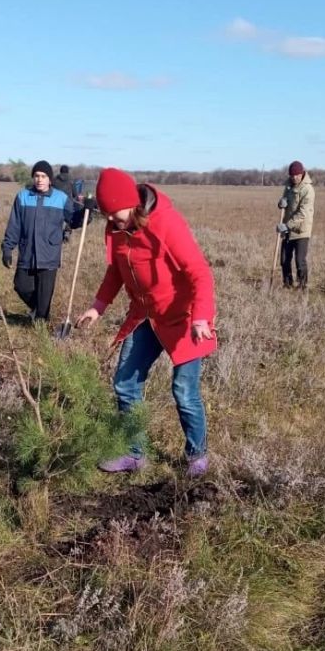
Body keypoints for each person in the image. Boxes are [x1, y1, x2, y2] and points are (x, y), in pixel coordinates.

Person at [76, 167, 216, 477]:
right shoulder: (116, 228)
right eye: (107, 216)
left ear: (132, 203)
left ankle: (197, 456)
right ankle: (134, 453)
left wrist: (201, 316)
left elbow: (199, 272)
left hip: (183, 317)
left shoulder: (166, 223)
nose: (112, 221)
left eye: (116, 213)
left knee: (183, 391)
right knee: (125, 383)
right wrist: (98, 307)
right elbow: (116, 270)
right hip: (144, 315)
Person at [2, 160, 79, 322]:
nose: (40, 179)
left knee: (44, 299)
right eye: (36, 176)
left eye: (43, 176)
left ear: (50, 179)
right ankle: (37, 310)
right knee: (21, 285)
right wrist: (7, 248)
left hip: (49, 254)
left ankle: (41, 327)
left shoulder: (60, 198)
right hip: (27, 252)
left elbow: (73, 219)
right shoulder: (23, 196)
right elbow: (14, 225)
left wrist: (86, 211)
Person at [276, 160, 315, 289]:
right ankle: (287, 284)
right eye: (292, 176)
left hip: (301, 231)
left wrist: (287, 225)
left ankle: (303, 286)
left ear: (302, 173)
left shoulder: (308, 190)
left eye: (297, 175)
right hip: (287, 229)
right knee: (284, 260)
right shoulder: (288, 186)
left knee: (300, 261)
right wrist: (281, 203)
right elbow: (284, 202)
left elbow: (303, 213)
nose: (294, 178)